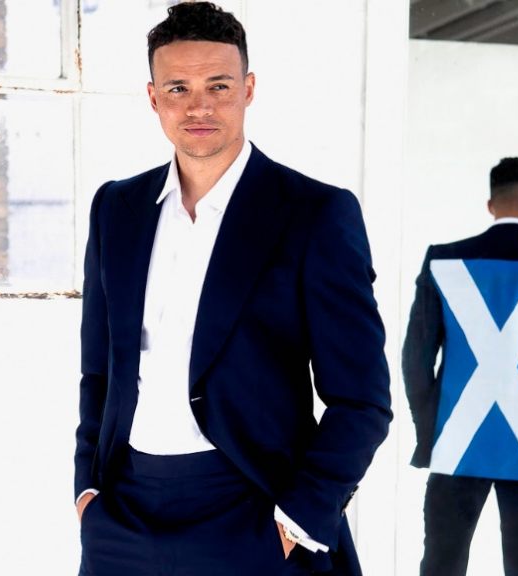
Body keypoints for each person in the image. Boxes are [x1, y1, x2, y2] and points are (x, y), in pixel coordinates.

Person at [73, 3, 391, 575]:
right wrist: (87, 492)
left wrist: (298, 519)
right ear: (153, 98)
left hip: (251, 510)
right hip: (123, 516)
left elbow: (362, 400)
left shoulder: (314, 213)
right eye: (178, 88)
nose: (199, 106)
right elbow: (99, 368)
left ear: (248, 89)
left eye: (218, 86)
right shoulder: (116, 208)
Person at [402, 157, 518, 576]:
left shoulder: (443, 262)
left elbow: (415, 360)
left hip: (456, 441)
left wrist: (433, 427)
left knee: (441, 565)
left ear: (491, 205)